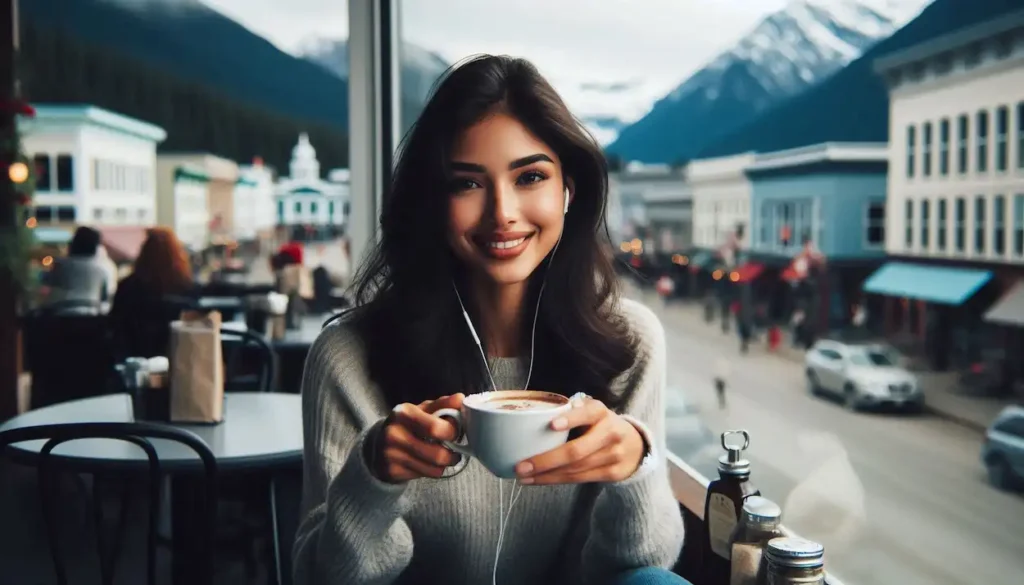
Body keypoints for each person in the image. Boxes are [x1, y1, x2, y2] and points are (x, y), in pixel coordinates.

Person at [294, 56, 687, 585]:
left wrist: (634, 467)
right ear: (433, 202)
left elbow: (642, 565)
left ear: (567, 189)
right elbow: (322, 576)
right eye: (467, 184)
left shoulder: (630, 342)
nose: (502, 211)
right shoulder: (348, 355)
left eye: (530, 177)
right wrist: (373, 477)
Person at [109, 227, 197, 357]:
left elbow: (115, 324)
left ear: (144, 252)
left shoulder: (128, 286)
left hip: (136, 356)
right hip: (177, 358)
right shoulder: (187, 287)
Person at [43, 226, 108, 311]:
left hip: (61, 312)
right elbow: (103, 298)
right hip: (91, 312)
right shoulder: (101, 270)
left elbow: (47, 282)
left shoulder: (61, 264)